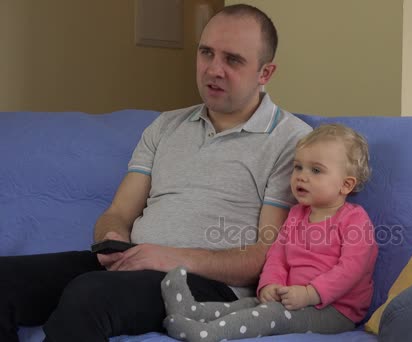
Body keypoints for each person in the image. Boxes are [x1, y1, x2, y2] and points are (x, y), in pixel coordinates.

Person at [0, 4, 311, 341]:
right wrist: (113, 238)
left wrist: (167, 257)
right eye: (206, 53)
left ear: (265, 73)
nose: (213, 70)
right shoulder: (166, 125)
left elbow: (262, 256)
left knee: (90, 295)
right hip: (135, 263)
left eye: (233, 60)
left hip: (212, 286)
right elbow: (118, 212)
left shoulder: (293, 142)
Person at [160, 124, 378, 342]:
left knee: (272, 315)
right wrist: (270, 284)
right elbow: (278, 256)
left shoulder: (354, 220)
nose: (301, 176)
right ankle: (193, 311)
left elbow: (350, 270)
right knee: (249, 304)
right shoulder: (296, 215)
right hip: (291, 298)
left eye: (316, 170)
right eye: (298, 167)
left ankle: (209, 334)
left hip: (335, 311)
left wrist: (311, 294)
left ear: (346, 185)